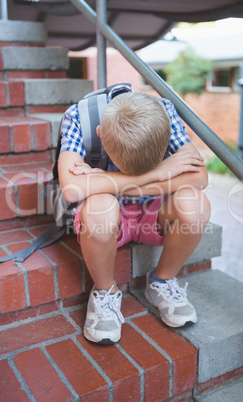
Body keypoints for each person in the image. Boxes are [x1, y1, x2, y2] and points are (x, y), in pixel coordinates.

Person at [58, 84, 211, 344]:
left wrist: (106, 178)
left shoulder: (164, 113)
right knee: (99, 208)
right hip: (109, 217)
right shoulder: (79, 118)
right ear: (101, 135)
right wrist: (158, 172)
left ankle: (161, 282)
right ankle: (105, 291)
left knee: (196, 204)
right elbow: (72, 190)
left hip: (154, 213)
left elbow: (199, 178)